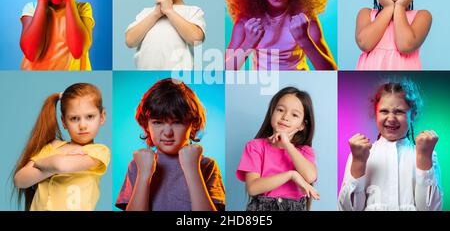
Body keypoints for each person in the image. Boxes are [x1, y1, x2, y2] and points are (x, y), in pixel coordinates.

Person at [115, 78, 225, 211]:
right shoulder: (137, 165)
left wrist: (192, 170)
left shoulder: (207, 165)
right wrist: (144, 174)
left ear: (193, 124)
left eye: (177, 122)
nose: (167, 132)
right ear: (146, 125)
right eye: (158, 122)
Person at [338, 80, 443, 211]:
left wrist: (424, 157)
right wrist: (358, 162)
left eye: (399, 111)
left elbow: (431, 209)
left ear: (413, 115)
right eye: (384, 111)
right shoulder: (359, 154)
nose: (391, 118)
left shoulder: (428, 154)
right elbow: (347, 209)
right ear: (375, 114)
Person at [13, 83, 110, 211]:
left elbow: (61, 165)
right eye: (74, 118)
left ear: (102, 117)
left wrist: (39, 163)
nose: (82, 125)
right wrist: (52, 166)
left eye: (90, 117)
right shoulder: (52, 146)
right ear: (64, 122)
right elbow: (19, 180)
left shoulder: (98, 151)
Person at [236, 87, 319, 211]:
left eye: (294, 115)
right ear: (271, 113)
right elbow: (252, 188)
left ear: (302, 125)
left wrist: (287, 144)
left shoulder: (304, 151)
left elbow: (310, 176)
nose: (285, 117)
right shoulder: (255, 147)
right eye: (280, 110)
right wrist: (291, 175)